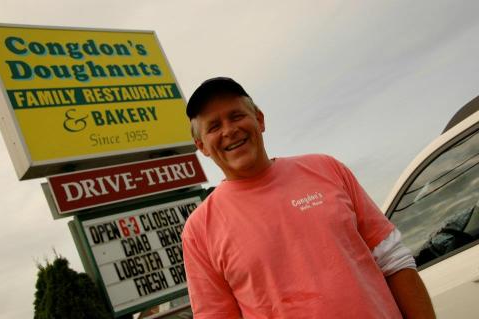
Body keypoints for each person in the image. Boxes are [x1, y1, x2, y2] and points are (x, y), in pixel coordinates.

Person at [181, 77, 435, 318]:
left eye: (236, 116)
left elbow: (394, 259)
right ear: (201, 145)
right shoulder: (198, 231)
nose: (229, 130)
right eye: (214, 126)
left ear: (259, 119)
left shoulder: (327, 169)